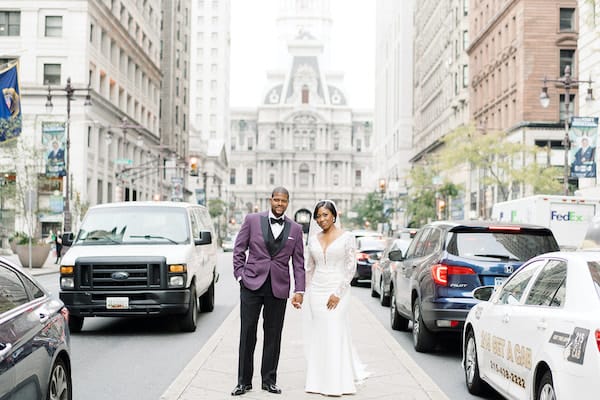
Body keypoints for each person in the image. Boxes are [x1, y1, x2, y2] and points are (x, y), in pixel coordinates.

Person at [231, 187, 305, 396]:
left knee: (273, 335)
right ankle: (243, 382)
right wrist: (240, 275)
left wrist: (300, 289)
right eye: (277, 200)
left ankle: (269, 380)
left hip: (278, 287)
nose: (280, 204)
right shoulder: (252, 220)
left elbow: (298, 262)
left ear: (288, 202)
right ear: (270, 200)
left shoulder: (296, 229)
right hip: (251, 284)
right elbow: (239, 249)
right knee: (248, 333)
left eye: (284, 201)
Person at [303, 200, 369, 396]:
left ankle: (336, 383)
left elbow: (351, 268)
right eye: (318, 216)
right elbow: (309, 268)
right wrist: (303, 292)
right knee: (320, 334)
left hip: (338, 290)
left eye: (325, 215)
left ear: (333, 216)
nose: (321, 219)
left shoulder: (347, 237)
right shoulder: (313, 239)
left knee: (334, 330)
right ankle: (316, 381)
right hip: (317, 291)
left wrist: (337, 294)